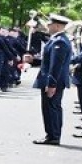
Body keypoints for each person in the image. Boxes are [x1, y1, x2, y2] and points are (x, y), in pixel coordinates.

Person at [33, 13, 74, 145]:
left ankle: (53, 136)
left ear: (57, 26)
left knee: (51, 108)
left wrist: (51, 84)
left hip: (53, 81)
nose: (47, 26)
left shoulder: (60, 42)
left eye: (50, 24)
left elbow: (56, 66)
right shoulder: (56, 39)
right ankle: (52, 134)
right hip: (53, 81)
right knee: (51, 107)